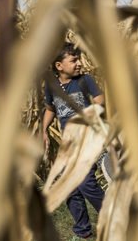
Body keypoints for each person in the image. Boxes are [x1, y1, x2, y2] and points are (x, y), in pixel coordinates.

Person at [42, 42, 106, 240]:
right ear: (59, 66)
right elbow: (50, 109)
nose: (79, 63)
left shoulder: (85, 80)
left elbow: (100, 100)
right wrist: (43, 130)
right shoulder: (51, 86)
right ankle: (83, 231)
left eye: (78, 59)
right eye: (74, 60)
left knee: (86, 183)